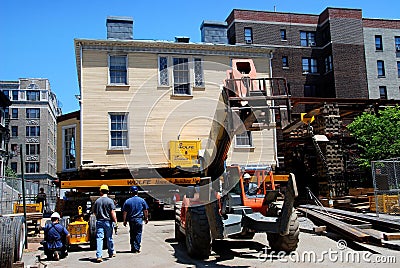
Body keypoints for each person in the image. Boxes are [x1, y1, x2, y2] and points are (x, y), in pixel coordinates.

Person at [92, 184, 117, 263]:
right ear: (108, 191)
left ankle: (99, 256)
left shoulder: (97, 201)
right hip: (108, 221)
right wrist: (115, 221)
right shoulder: (110, 201)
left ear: (100, 191)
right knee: (109, 237)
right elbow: (112, 212)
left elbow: (94, 212)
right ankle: (111, 252)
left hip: (99, 221)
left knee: (99, 238)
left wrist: (99, 216)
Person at [122, 186, 149, 253]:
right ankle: (137, 247)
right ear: (137, 192)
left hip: (131, 220)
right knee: (138, 233)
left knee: (132, 233)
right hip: (139, 219)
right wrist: (146, 218)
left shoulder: (128, 201)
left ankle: (133, 247)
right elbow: (145, 210)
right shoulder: (142, 200)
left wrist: (124, 220)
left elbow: (125, 212)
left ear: (131, 192)